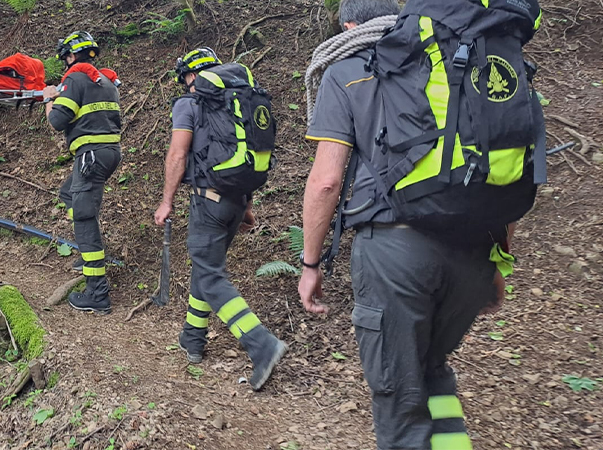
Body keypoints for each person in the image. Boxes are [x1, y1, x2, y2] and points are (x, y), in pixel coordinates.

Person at [296, 0, 536, 448]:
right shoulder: (468, 64)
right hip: (475, 249)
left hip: (396, 254)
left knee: (399, 402)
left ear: (349, 23)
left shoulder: (348, 69)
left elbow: (327, 181)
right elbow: (503, 171)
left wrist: (311, 264)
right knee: (432, 370)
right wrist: (497, 262)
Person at [154, 47, 287, 391]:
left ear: (191, 76)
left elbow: (178, 153)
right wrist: (247, 206)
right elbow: (248, 154)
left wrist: (166, 200)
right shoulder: (238, 101)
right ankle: (193, 338)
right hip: (237, 199)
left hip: (208, 202)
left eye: (185, 77)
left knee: (211, 276)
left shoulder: (190, 103)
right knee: (206, 267)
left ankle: (261, 343)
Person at [43, 31, 121, 314]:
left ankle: (97, 292)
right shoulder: (107, 82)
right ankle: (89, 256)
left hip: (90, 156)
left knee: (84, 217)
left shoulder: (75, 78)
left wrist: (49, 97)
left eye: (65, 57)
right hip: (108, 153)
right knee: (69, 194)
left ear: (72, 56)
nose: (65, 63)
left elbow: (57, 120)